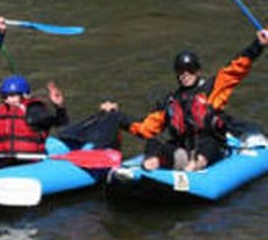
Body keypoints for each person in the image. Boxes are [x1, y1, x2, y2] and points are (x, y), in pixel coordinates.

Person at [105, 28, 268, 171]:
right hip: (183, 150)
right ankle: (149, 173)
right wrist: (117, 117)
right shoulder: (170, 101)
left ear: (198, 71)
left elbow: (237, 68)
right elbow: (146, 128)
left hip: (210, 148)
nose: (185, 74)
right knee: (153, 144)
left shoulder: (213, 88)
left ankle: (192, 169)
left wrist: (258, 45)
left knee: (206, 147)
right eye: (181, 70)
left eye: (190, 69)